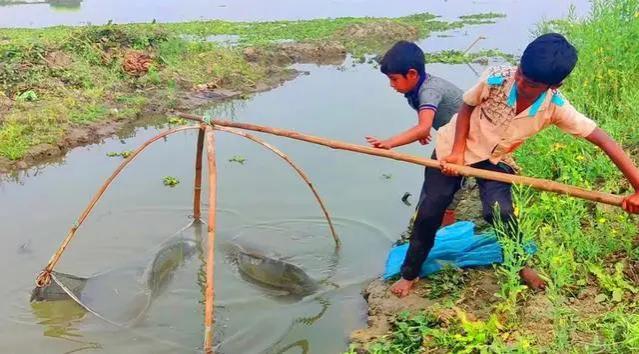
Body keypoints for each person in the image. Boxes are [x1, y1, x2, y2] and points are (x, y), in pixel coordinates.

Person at [389, 33, 639, 298]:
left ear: (554, 85)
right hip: (454, 145)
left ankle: (520, 264)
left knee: (500, 211)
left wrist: (637, 188)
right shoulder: (496, 78)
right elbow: (466, 109)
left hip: (497, 157)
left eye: (530, 83)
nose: (518, 81)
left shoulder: (555, 108)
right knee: (429, 211)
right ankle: (410, 272)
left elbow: (605, 141)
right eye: (520, 72)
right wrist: (458, 153)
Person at [366, 40, 466, 227]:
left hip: (467, 140)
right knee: (435, 183)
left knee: (442, 190)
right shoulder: (415, 89)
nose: (391, 85)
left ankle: (438, 230)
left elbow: (423, 126)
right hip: (451, 137)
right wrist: (422, 131)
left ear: (412, 74)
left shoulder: (429, 90)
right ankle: (429, 224)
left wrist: (390, 143)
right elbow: (427, 123)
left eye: (394, 79)